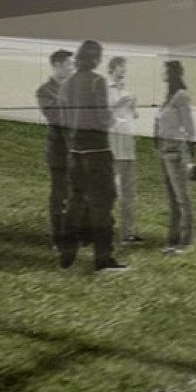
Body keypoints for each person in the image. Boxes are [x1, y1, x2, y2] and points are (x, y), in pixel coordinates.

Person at [60, 40, 127, 273]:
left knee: (75, 203)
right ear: (97, 59)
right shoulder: (98, 82)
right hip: (97, 151)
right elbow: (103, 118)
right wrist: (115, 115)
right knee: (103, 205)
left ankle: (66, 254)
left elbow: (65, 118)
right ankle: (103, 259)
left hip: (75, 151)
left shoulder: (68, 83)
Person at [34, 49, 76, 251]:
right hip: (59, 154)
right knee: (60, 196)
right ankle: (58, 239)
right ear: (57, 65)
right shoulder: (45, 91)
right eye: (69, 64)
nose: (73, 67)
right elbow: (56, 117)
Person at [155, 60, 196, 255]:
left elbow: (189, 128)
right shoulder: (168, 97)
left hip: (176, 154)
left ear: (171, 73)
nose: (161, 73)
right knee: (172, 200)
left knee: (182, 198)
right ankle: (172, 241)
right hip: (165, 152)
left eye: (164, 71)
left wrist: (191, 160)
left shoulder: (181, 96)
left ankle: (185, 242)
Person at [106, 56, 141, 245]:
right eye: (121, 67)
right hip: (113, 146)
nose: (124, 70)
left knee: (128, 191)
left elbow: (133, 116)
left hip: (128, 146)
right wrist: (118, 104)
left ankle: (127, 234)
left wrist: (133, 106)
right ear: (112, 69)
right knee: (109, 190)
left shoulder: (126, 90)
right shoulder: (105, 90)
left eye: (125, 67)